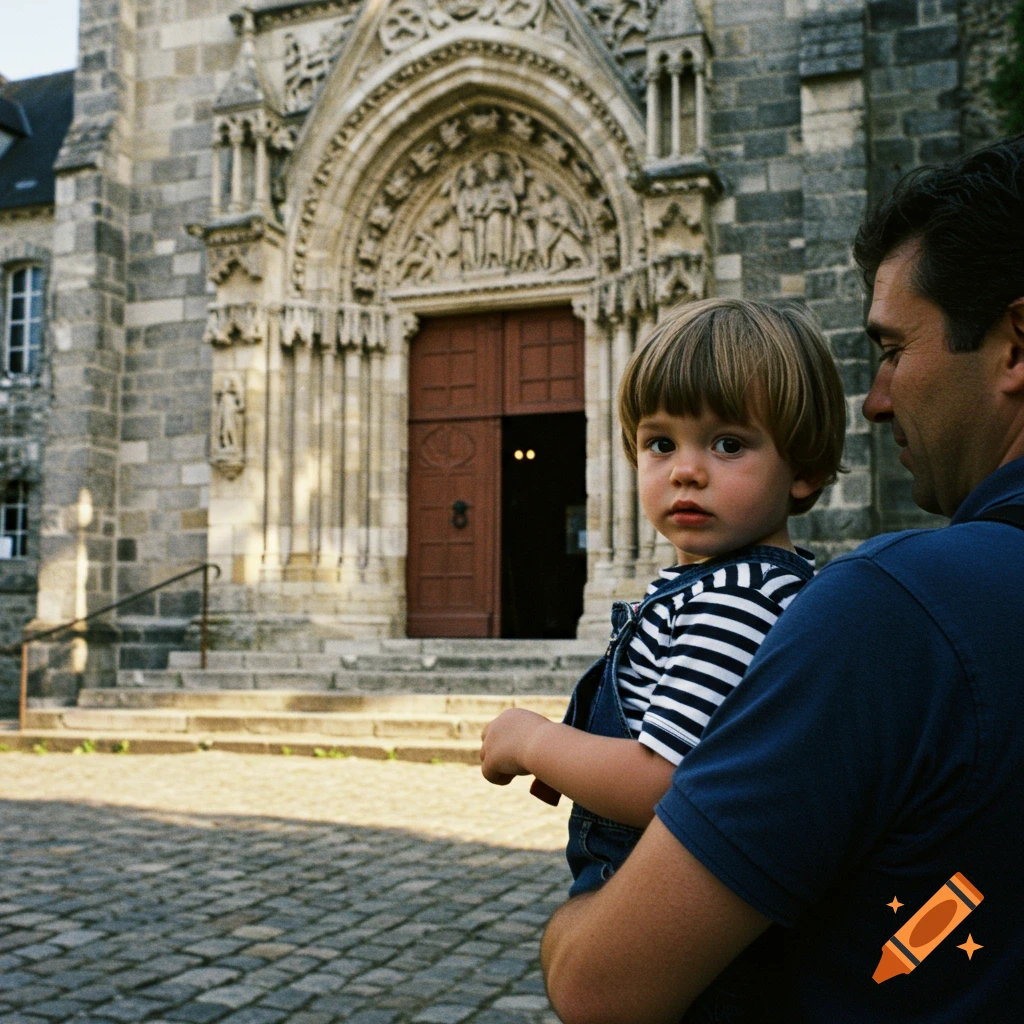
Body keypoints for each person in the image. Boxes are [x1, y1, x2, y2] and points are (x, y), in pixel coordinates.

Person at [538, 136, 1024, 1024]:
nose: (875, 400)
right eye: (658, 443)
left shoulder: (893, 609)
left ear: (1015, 346)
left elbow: (600, 984)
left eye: (890, 350)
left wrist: (568, 909)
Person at [480, 296, 847, 1017]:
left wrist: (534, 741)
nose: (686, 471)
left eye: (728, 444)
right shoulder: (729, 584)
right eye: (659, 443)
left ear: (803, 469)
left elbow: (664, 782)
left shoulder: (734, 598)